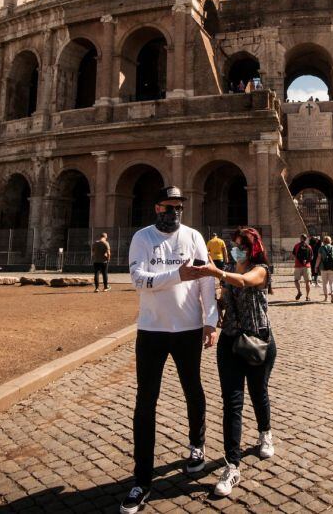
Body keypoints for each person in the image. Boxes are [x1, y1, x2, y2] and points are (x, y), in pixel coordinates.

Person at [121, 186, 218, 514]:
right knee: (145, 402)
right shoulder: (142, 238)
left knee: (194, 390)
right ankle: (141, 479)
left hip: (189, 328)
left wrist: (211, 321)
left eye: (179, 207)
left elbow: (206, 280)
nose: (174, 212)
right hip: (151, 329)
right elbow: (138, 279)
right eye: (168, 207)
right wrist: (177, 274)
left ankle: (197, 445)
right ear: (157, 207)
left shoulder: (194, 237)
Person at [184, 227, 276, 498]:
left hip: (258, 341)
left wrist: (219, 273)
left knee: (259, 394)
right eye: (234, 245)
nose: (236, 250)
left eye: (241, 247)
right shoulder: (230, 272)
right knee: (231, 403)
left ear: (253, 249)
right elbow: (223, 299)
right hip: (231, 343)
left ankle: (265, 433)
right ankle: (232, 465)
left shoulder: (260, 270)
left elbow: (246, 281)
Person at [316, 235, 333, 303]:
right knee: (332, 282)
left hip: (323, 267)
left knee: (325, 283)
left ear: (323, 241)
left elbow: (319, 258)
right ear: (330, 241)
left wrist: (316, 266)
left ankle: (326, 297)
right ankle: (332, 293)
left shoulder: (321, 248)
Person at [291, 234, 313, 301]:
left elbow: (293, 255)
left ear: (301, 238)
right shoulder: (309, 247)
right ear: (306, 239)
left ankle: (299, 291)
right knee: (307, 281)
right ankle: (307, 296)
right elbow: (311, 257)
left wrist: (299, 260)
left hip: (298, 265)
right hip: (307, 266)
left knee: (296, 280)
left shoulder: (297, 246)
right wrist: (306, 261)